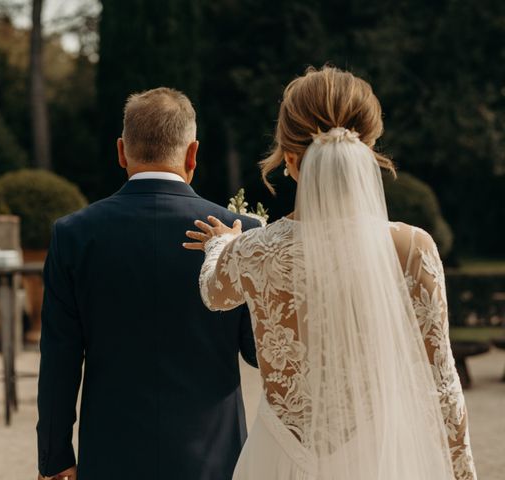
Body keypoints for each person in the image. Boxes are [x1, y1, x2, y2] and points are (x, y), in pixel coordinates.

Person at [184, 66, 477, 480]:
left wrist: (220, 245)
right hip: (378, 456)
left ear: (288, 159)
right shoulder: (412, 247)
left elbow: (213, 293)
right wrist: (464, 474)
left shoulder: (254, 250)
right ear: (368, 149)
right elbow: (443, 384)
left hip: (279, 457)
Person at [36, 87, 261, 480]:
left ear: (121, 151)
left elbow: (60, 357)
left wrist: (54, 458)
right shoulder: (242, 236)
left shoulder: (73, 235)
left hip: (111, 457)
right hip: (214, 458)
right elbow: (259, 352)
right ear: (193, 153)